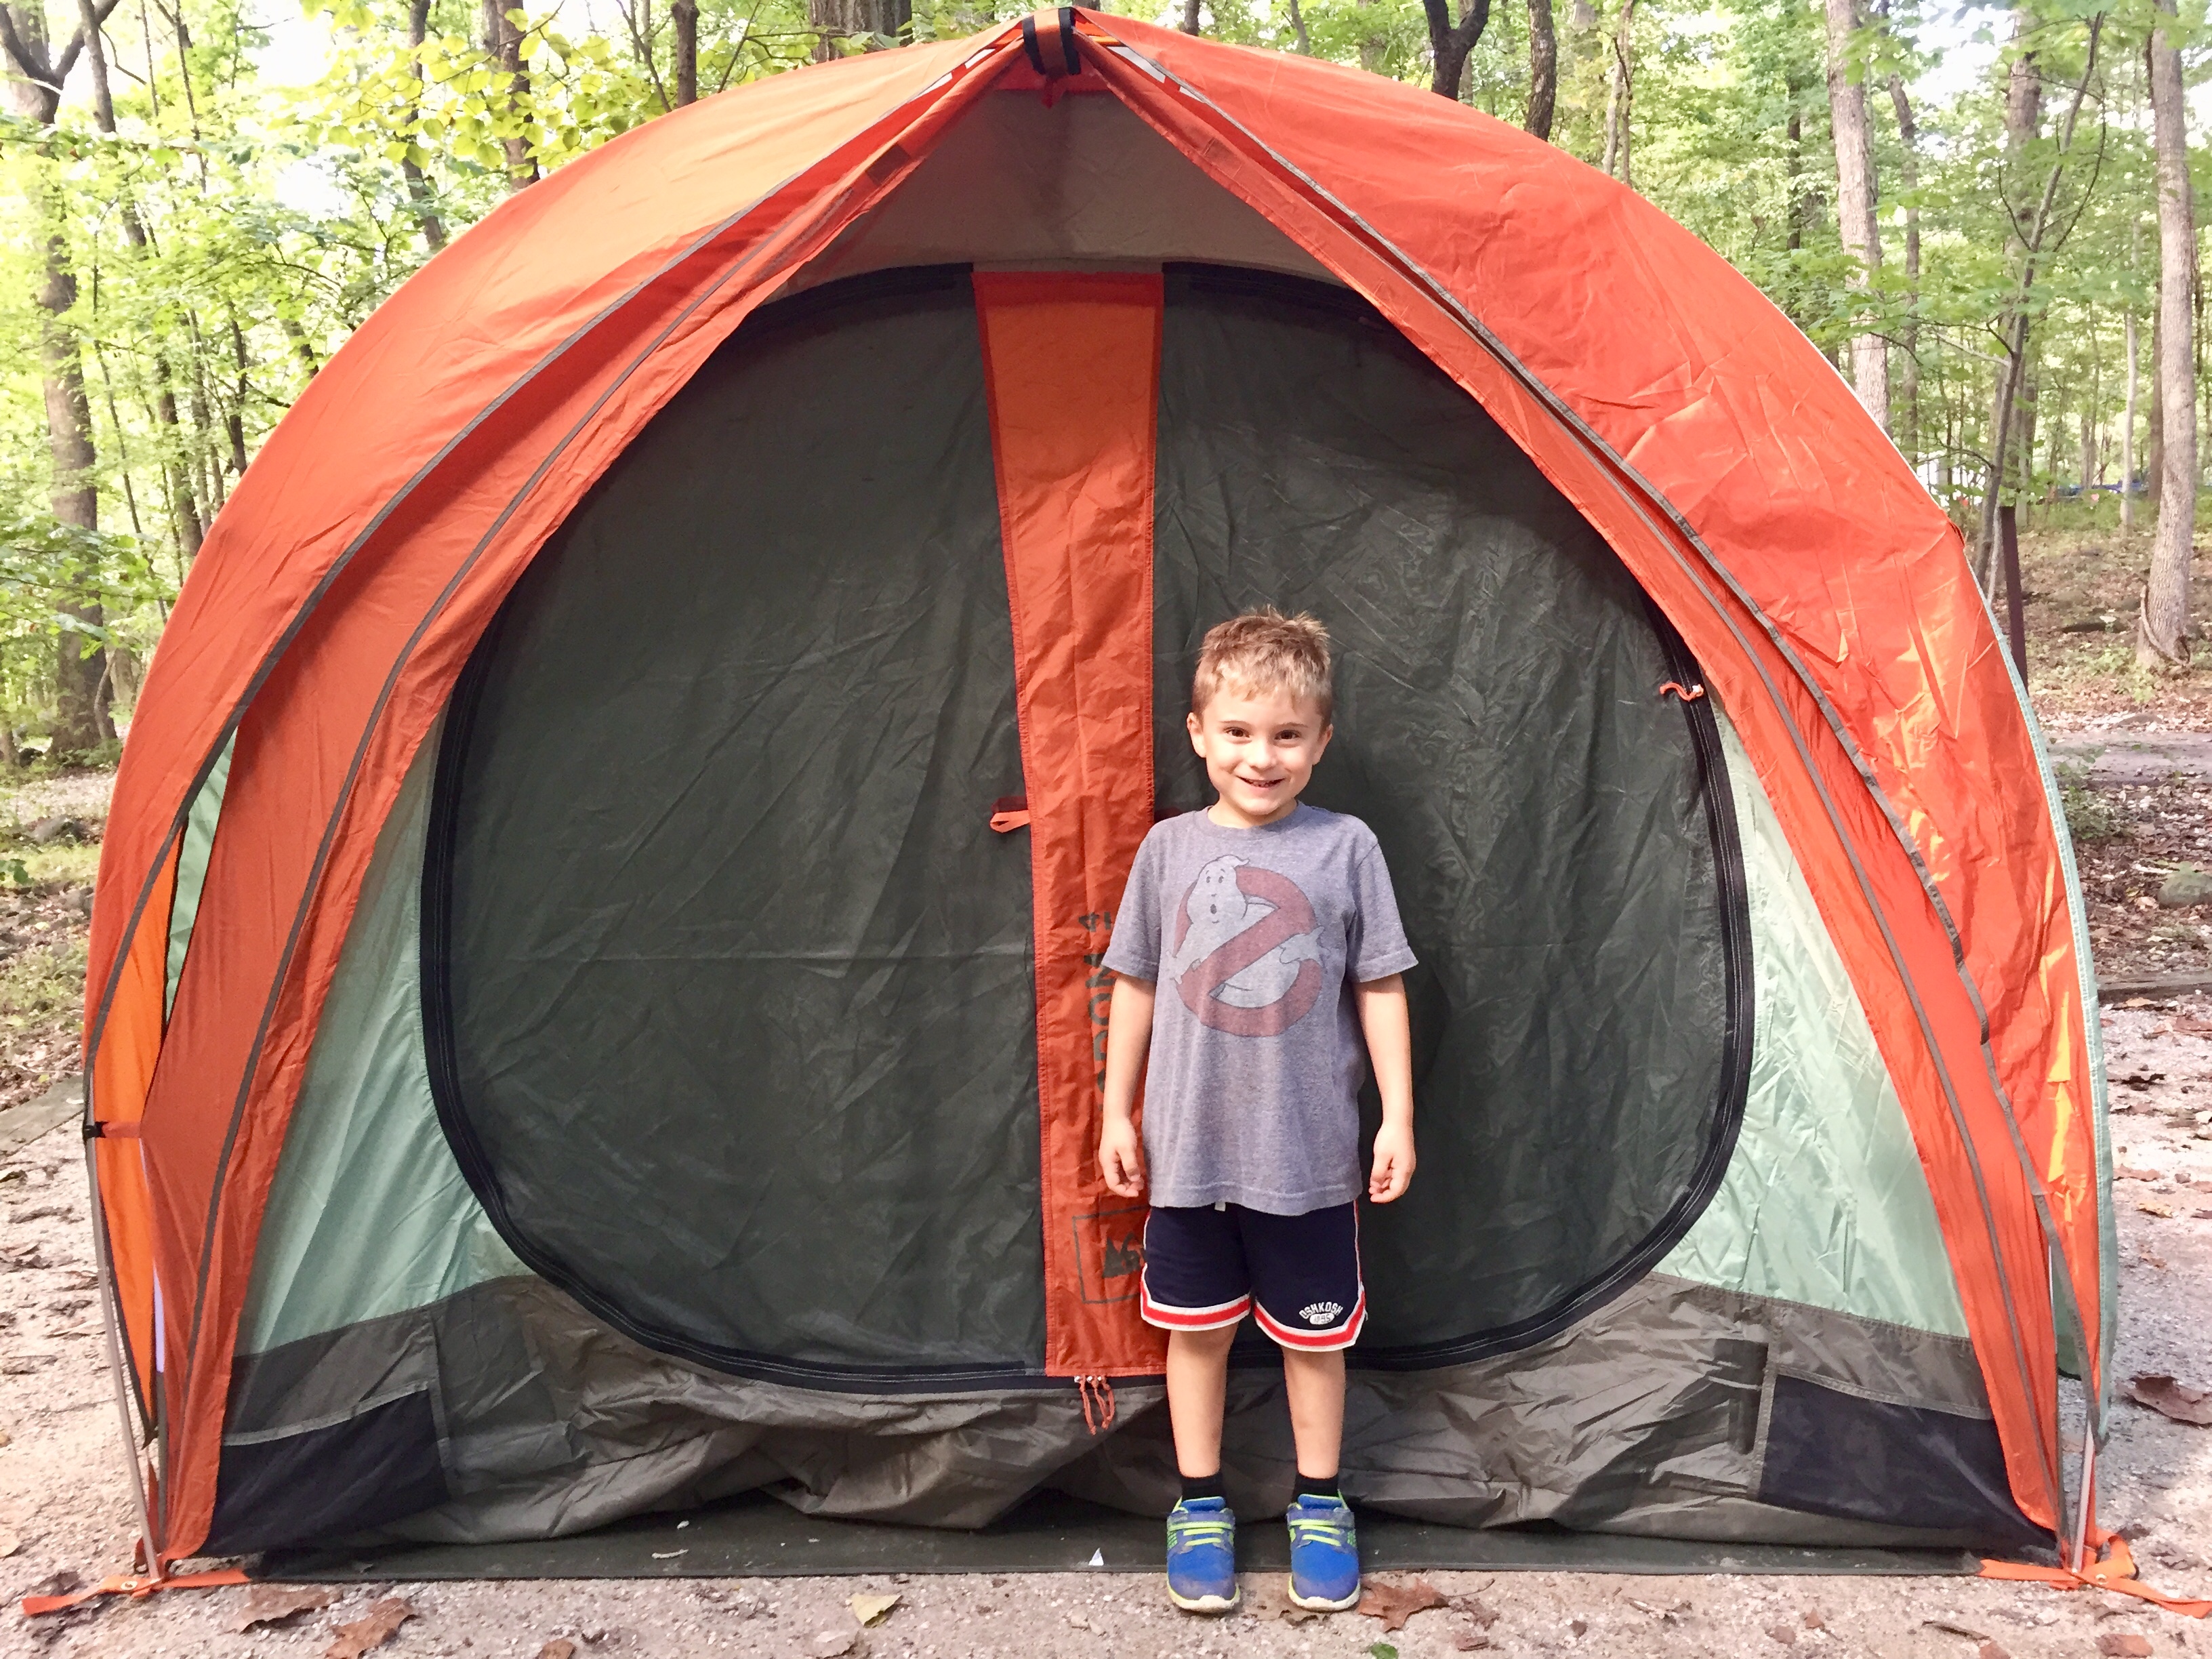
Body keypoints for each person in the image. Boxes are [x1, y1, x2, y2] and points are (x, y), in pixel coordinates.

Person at [1097, 606, 1417, 1617]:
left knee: (1312, 1339)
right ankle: (1199, 1503)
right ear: (1199, 734)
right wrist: (1118, 1114)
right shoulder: (1167, 851)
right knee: (1194, 1334)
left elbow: (1381, 985)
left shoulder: (1348, 848)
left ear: (1322, 743)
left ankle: (1318, 1502)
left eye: (1286, 735)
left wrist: (1396, 1116)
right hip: (1187, 1156)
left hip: (1312, 1158)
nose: (1261, 756)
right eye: (1238, 732)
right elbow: (1138, 985)